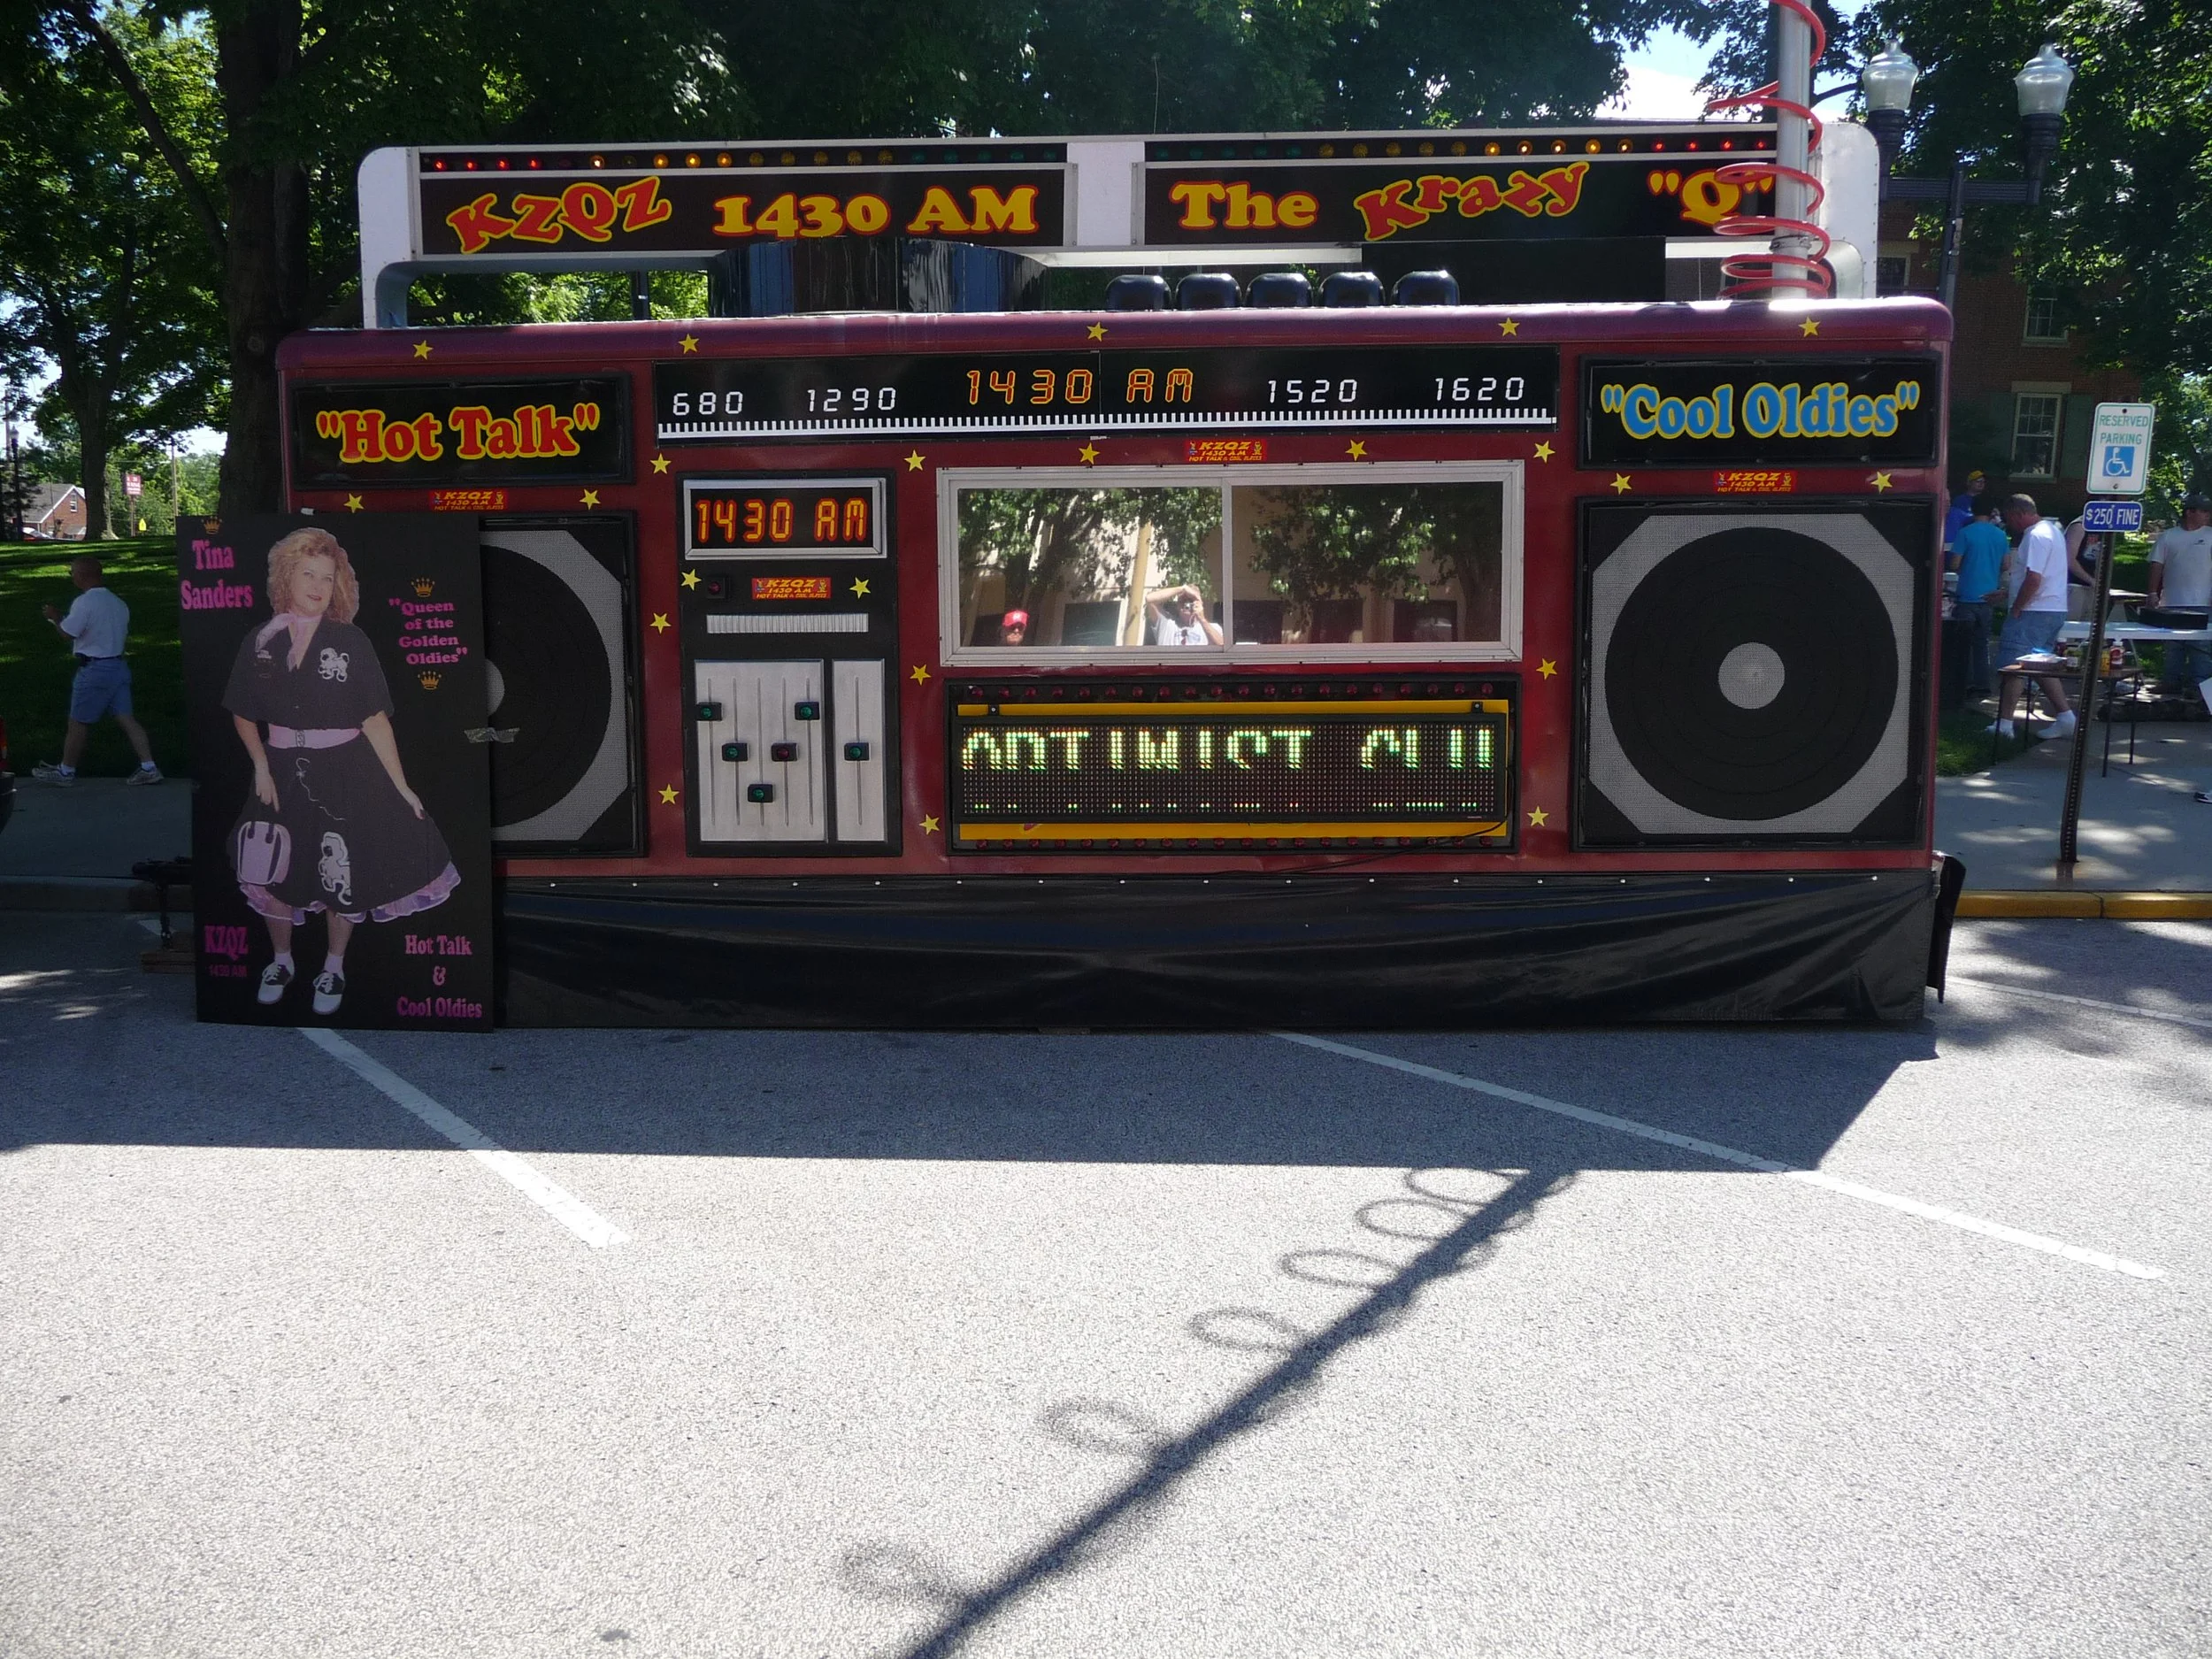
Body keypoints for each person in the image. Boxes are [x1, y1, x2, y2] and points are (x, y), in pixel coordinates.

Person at [223, 527, 459, 1017]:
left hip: (348, 771)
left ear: (338, 587)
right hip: (282, 770)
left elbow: (374, 720)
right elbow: (243, 712)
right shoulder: (261, 640)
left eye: (326, 578)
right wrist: (261, 767)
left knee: (341, 869)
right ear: (287, 578)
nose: (316, 585)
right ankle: (282, 960)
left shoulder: (350, 641)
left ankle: (333, 966)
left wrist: (401, 786)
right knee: (272, 867)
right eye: (307, 574)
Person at [32, 556, 162, 786]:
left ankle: (66, 771)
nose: (71, 576)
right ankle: (149, 766)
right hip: (118, 666)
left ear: (82, 575)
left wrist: (54, 618)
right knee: (127, 719)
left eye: (72, 572)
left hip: (94, 669)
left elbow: (67, 634)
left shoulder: (84, 603)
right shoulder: (118, 603)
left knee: (78, 722)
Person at [1991, 493, 2076, 741]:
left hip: (2033, 611)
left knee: (2013, 666)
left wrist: (2017, 606)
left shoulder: (2035, 536)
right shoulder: (2052, 531)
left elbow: (2035, 578)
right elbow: (2045, 576)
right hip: (2054, 608)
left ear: (2019, 514)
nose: (2010, 525)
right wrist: (2008, 593)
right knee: (2040, 665)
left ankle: (2004, 724)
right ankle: (2065, 716)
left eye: (2009, 519)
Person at [2147, 493, 2212, 695]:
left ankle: (2199, 687)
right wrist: (2151, 592)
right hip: (2171, 601)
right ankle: (2170, 681)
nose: (2207, 516)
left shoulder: (2211, 535)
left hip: (2203, 601)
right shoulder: (2169, 536)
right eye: (2203, 511)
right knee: (2173, 645)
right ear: (2189, 512)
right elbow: (2157, 565)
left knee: (2201, 646)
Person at [1947, 498, 2008, 695]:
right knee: (1982, 643)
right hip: (1989, 596)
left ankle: (1962, 683)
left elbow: (1954, 564)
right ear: (1991, 513)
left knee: (1963, 644)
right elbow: (2006, 565)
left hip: (1967, 595)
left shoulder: (1965, 533)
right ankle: (1982, 684)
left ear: (1973, 512)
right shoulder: (2000, 535)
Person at [1145, 582, 1223, 647]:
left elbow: (1221, 647)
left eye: (1191, 600)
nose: (1187, 604)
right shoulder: (1166, 624)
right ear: (1177, 604)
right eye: (1183, 600)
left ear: (1200, 603)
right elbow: (1149, 599)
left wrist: (1202, 619)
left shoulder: (1213, 628)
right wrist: (1182, 589)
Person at [1942, 470, 1987, 552]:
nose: (1981, 484)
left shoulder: (1985, 500)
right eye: (1978, 481)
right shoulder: (1959, 501)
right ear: (1969, 483)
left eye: (1983, 482)